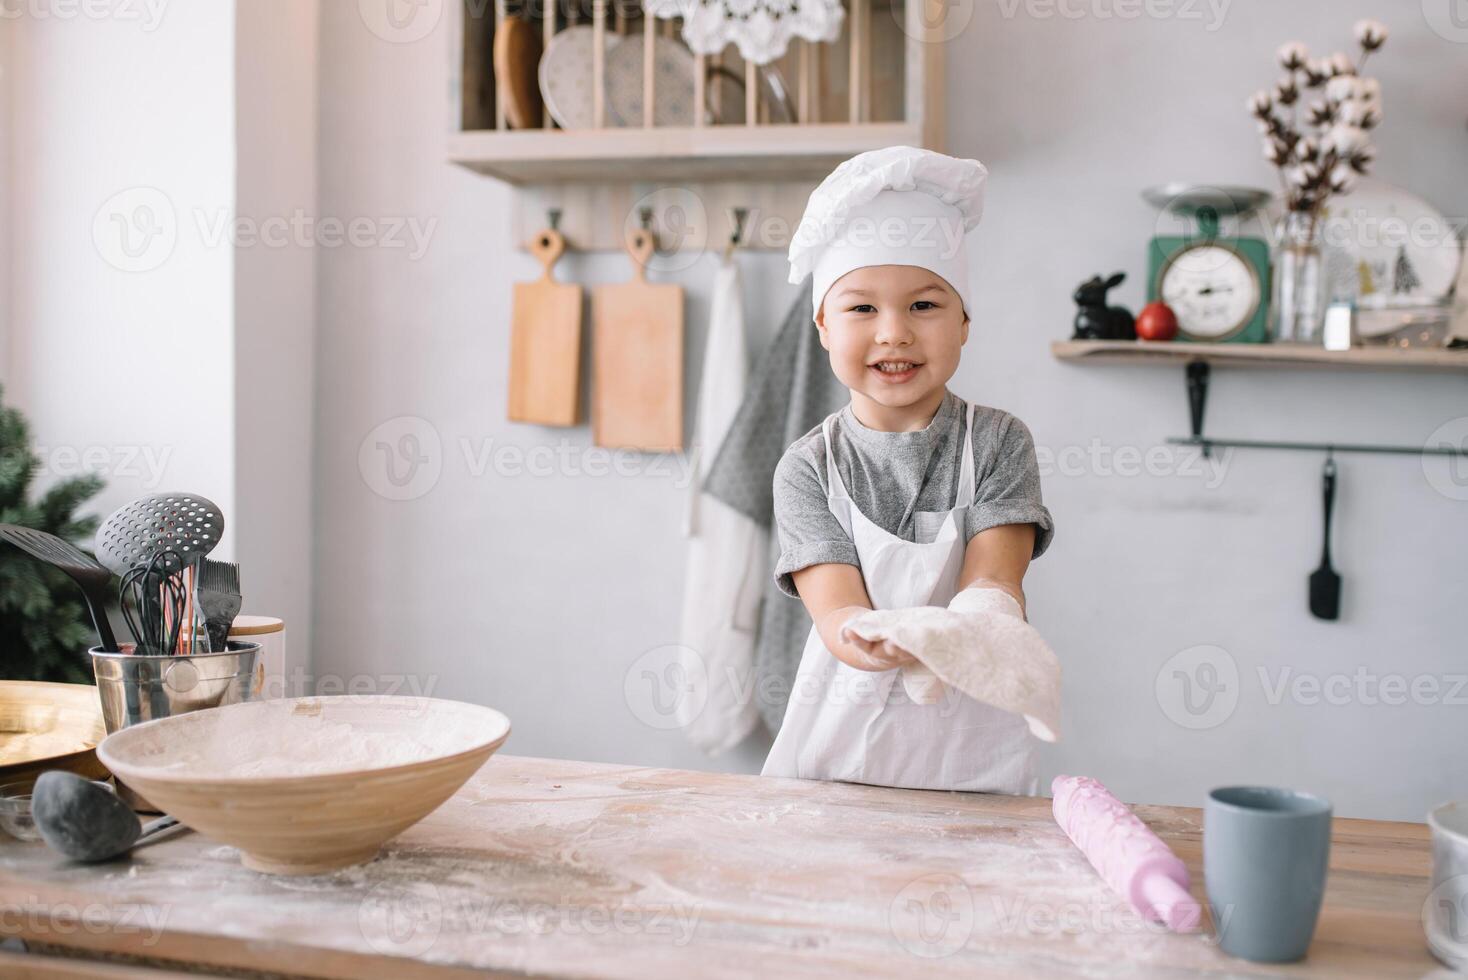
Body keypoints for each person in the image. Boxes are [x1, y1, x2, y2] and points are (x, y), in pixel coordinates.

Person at [761, 145, 1054, 794]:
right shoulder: (807, 468)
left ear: (965, 320)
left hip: (972, 765)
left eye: (924, 305)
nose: (893, 332)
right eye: (862, 308)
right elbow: (837, 611)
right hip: (837, 762)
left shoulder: (1000, 443)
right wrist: (872, 637)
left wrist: (962, 633)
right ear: (823, 326)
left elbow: (993, 586)